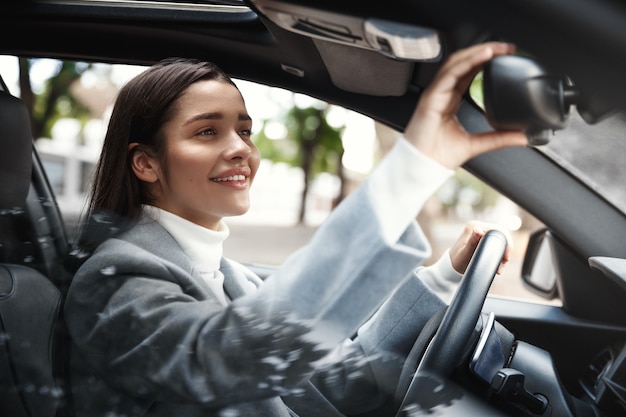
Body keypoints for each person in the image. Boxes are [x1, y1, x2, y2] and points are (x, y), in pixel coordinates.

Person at [64, 41, 527, 417]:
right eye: (207, 132)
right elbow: (229, 359)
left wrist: (445, 274)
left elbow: (343, 382)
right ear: (146, 163)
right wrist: (411, 171)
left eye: (244, 131)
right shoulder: (116, 284)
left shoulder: (232, 278)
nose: (240, 149)